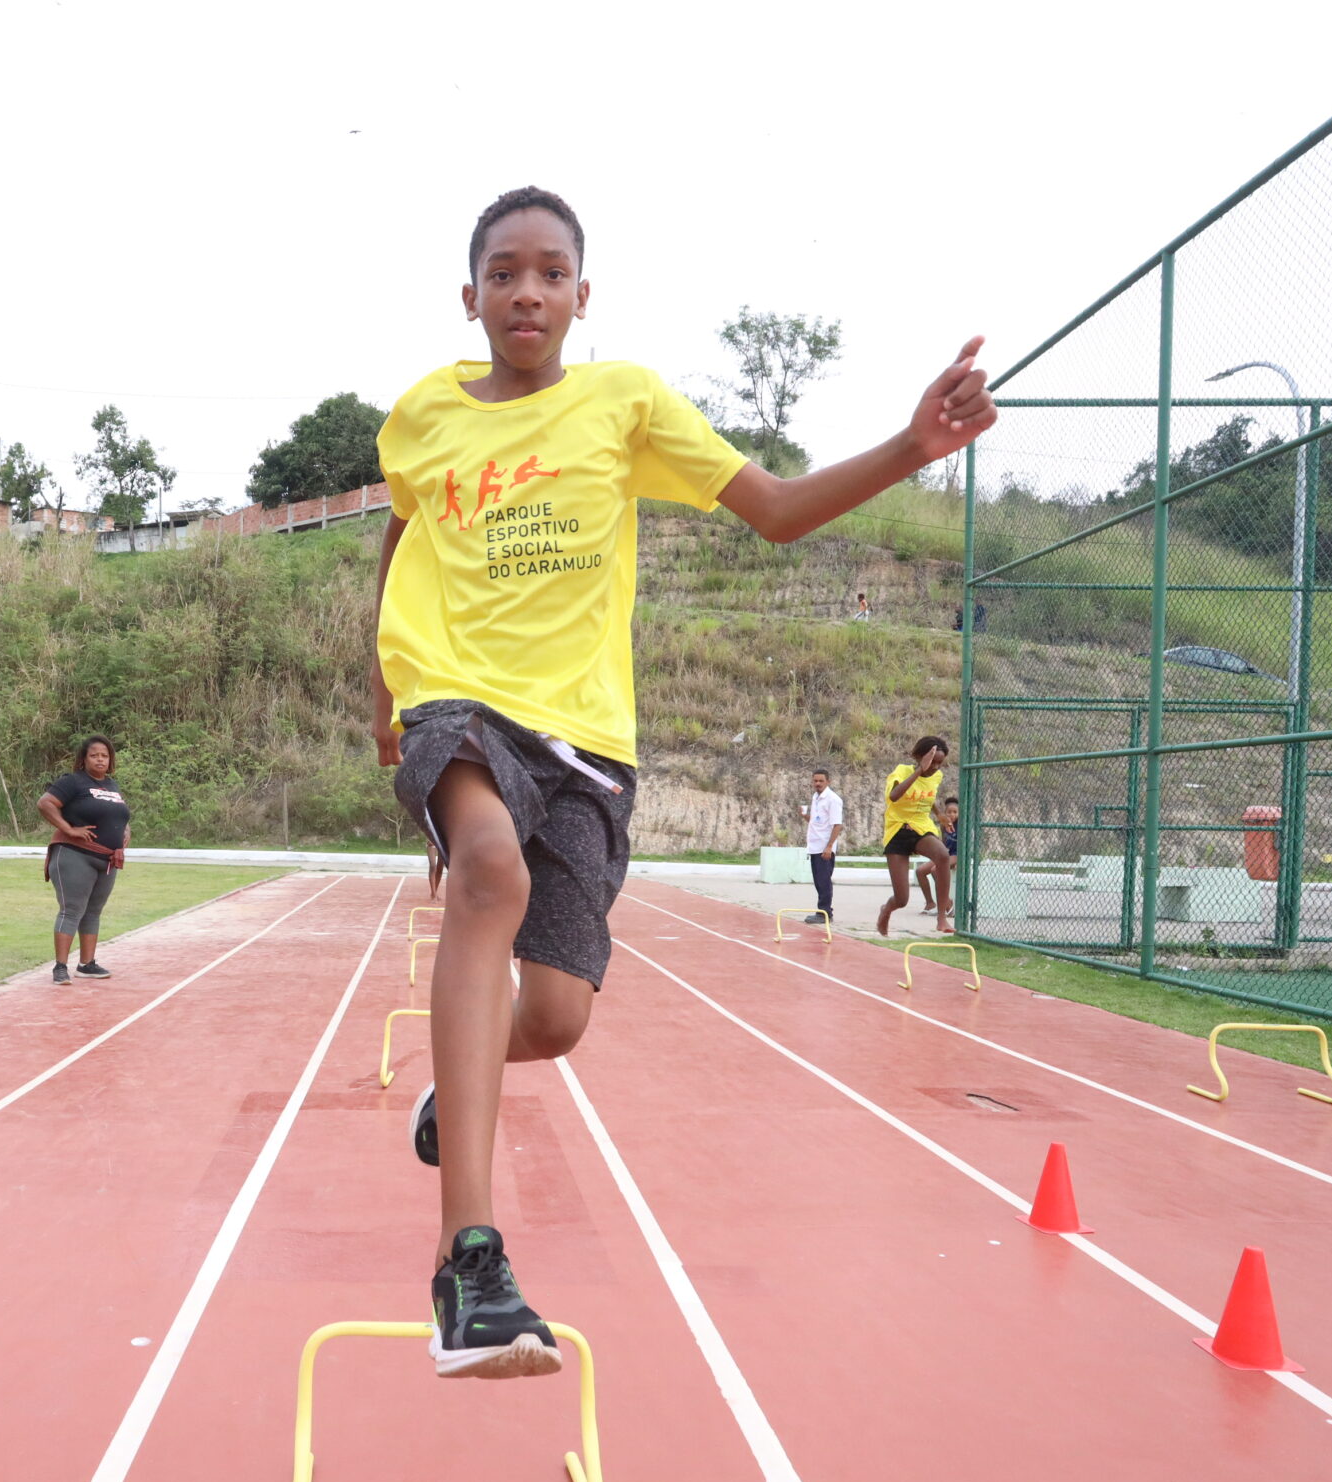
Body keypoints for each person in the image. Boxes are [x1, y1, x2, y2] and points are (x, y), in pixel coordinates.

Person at [371, 185, 995, 1377]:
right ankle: (470, 1264)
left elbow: (771, 512)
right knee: (483, 873)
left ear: (581, 297)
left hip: (588, 740)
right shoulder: (422, 417)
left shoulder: (626, 404)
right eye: (503, 272)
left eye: (550, 272)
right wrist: (383, 691)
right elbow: (403, 528)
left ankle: (462, 1088)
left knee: (552, 1020)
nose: (526, 292)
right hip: (455, 700)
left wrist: (913, 448)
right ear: (470, 296)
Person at [35, 736, 128, 984]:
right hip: (75, 855)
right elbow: (45, 803)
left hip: (106, 860)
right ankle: (60, 968)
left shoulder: (112, 785)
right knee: (72, 909)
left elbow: (119, 815)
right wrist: (69, 829)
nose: (100, 759)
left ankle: (87, 964)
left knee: (93, 911)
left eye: (105, 755)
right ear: (83, 759)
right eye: (94, 755)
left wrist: (124, 832)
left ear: (110, 760)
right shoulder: (73, 782)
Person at [876, 736, 955, 937]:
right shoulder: (901, 771)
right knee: (902, 899)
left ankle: (941, 918)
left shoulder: (936, 777)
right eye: (932, 761)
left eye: (940, 762)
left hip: (920, 827)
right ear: (919, 757)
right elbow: (894, 796)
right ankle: (886, 909)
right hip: (898, 829)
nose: (935, 766)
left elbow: (927, 796)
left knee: (943, 855)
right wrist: (920, 770)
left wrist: (938, 814)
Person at [803, 767, 843, 924]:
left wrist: (829, 847)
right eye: (815, 781)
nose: (817, 783)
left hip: (824, 847)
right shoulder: (816, 797)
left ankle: (825, 912)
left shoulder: (833, 799)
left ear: (828, 781)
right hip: (814, 845)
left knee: (824, 880)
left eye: (821, 781)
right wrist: (805, 816)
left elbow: (837, 825)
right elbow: (816, 821)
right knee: (818, 881)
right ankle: (822, 911)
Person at [917, 794, 960, 914]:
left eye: (955, 812)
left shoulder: (962, 826)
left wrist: (956, 862)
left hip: (958, 855)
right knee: (920, 871)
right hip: (947, 854)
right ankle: (930, 903)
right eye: (949, 812)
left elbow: (965, 846)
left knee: (936, 870)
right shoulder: (943, 825)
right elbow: (943, 842)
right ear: (944, 814)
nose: (952, 815)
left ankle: (947, 902)